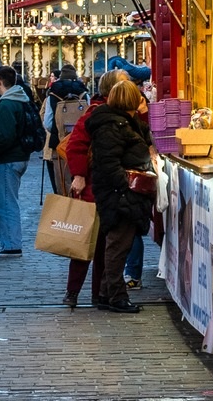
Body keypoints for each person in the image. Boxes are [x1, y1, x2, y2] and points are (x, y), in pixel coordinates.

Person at [61, 69, 129, 309]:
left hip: (111, 188)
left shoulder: (126, 113)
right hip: (93, 186)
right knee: (85, 240)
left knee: (104, 245)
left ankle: (98, 293)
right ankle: (73, 291)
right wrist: (79, 175)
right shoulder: (94, 114)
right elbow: (76, 146)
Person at [88, 79, 156, 314]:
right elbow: (108, 163)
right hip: (120, 194)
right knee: (118, 245)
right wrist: (125, 189)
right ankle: (116, 295)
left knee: (119, 244)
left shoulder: (126, 122)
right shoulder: (112, 126)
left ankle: (107, 293)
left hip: (122, 192)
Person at [0, 65, 34, 256]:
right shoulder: (21, 99)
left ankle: (10, 244)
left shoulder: (6, 103)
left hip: (9, 157)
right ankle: (10, 243)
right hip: (19, 156)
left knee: (5, 203)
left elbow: (5, 135)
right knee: (9, 200)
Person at [44, 63, 89, 194]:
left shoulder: (52, 95)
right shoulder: (84, 94)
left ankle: (64, 209)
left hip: (58, 143)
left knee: (62, 182)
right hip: (82, 143)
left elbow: (47, 122)